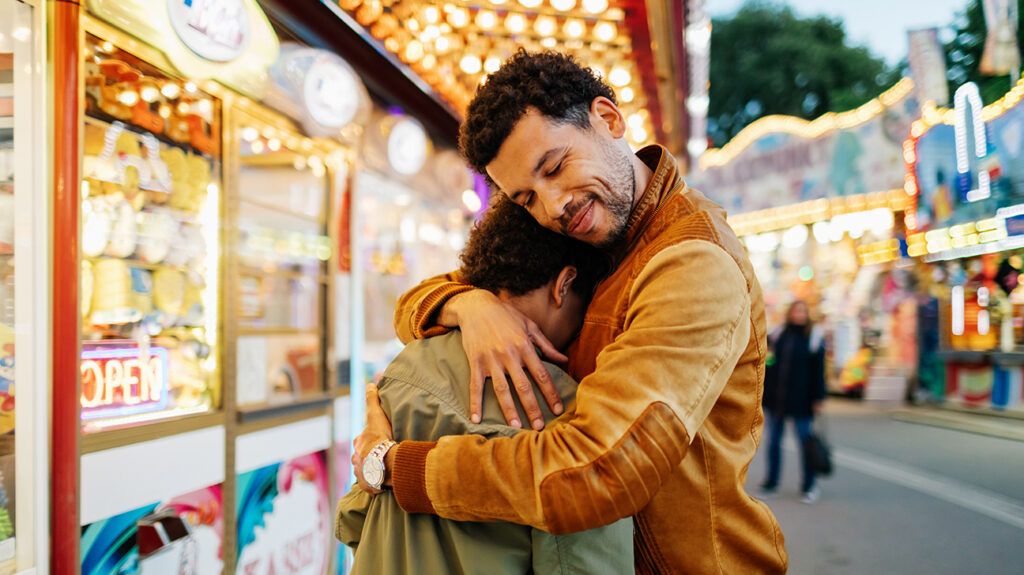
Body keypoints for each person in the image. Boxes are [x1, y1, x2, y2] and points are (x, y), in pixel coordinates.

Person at [353, 50, 788, 574]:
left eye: (556, 166)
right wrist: (471, 304)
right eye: (527, 198)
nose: (553, 206)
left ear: (607, 119)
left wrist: (394, 466)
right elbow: (418, 300)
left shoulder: (694, 261)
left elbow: (600, 472)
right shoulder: (596, 229)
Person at [337, 198, 632, 574]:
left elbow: (353, 516)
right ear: (565, 285)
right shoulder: (567, 412)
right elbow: (582, 564)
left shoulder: (403, 369)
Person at [760, 300, 827, 504]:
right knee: (773, 443)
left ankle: (809, 485)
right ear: (790, 313)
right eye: (796, 311)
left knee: (805, 443)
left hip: (802, 401)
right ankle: (771, 482)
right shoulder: (779, 335)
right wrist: (764, 391)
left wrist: (818, 397)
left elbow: (818, 372)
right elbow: (769, 363)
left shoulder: (813, 338)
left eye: (803, 311)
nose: (799, 314)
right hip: (778, 400)